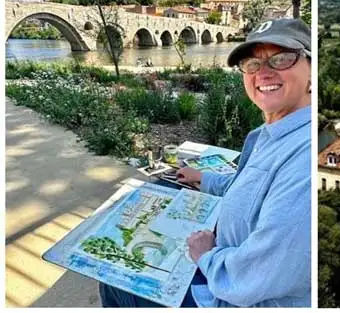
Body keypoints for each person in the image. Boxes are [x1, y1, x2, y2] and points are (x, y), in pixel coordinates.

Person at [99, 18, 311, 308]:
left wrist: (204, 254)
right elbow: (251, 188)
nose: (263, 72)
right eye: (252, 64)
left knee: (112, 274)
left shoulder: (304, 157)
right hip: (226, 266)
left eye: (282, 59)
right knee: (164, 188)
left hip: (230, 296)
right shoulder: (274, 134)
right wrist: (203, 178)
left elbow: (253, 277)